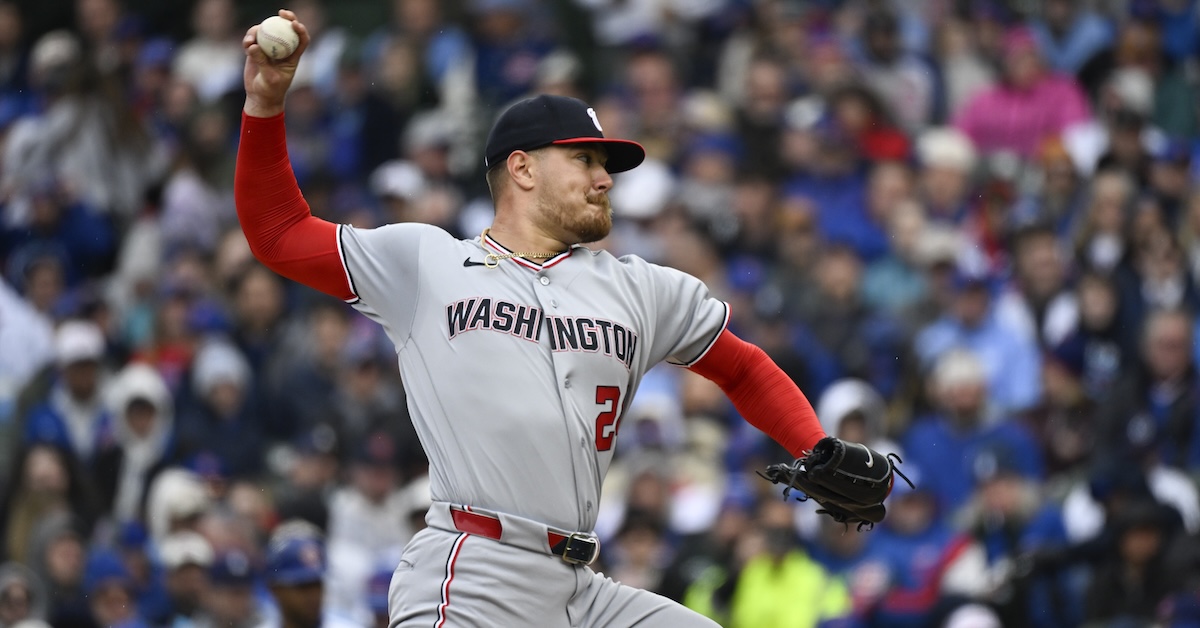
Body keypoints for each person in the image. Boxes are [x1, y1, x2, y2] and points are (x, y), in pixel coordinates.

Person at [234, 11, 884, 626]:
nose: (604, 179)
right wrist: (265, 107)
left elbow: (741, 367)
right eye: (585, 160)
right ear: (521, 168)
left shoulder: (639, 289)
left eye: (605, 165)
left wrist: (811, 444)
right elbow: (279, 232)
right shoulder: (427, 262)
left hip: (581, 587)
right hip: (473, 570)